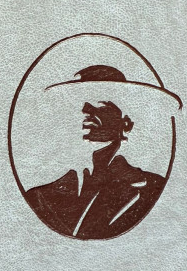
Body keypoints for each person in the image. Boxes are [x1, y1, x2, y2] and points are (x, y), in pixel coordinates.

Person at [25, 65, 167, 240]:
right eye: (82, 104)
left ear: (126, 123)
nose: (86, 110)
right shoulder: (39, 196)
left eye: (101, 106)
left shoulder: (153, 187)